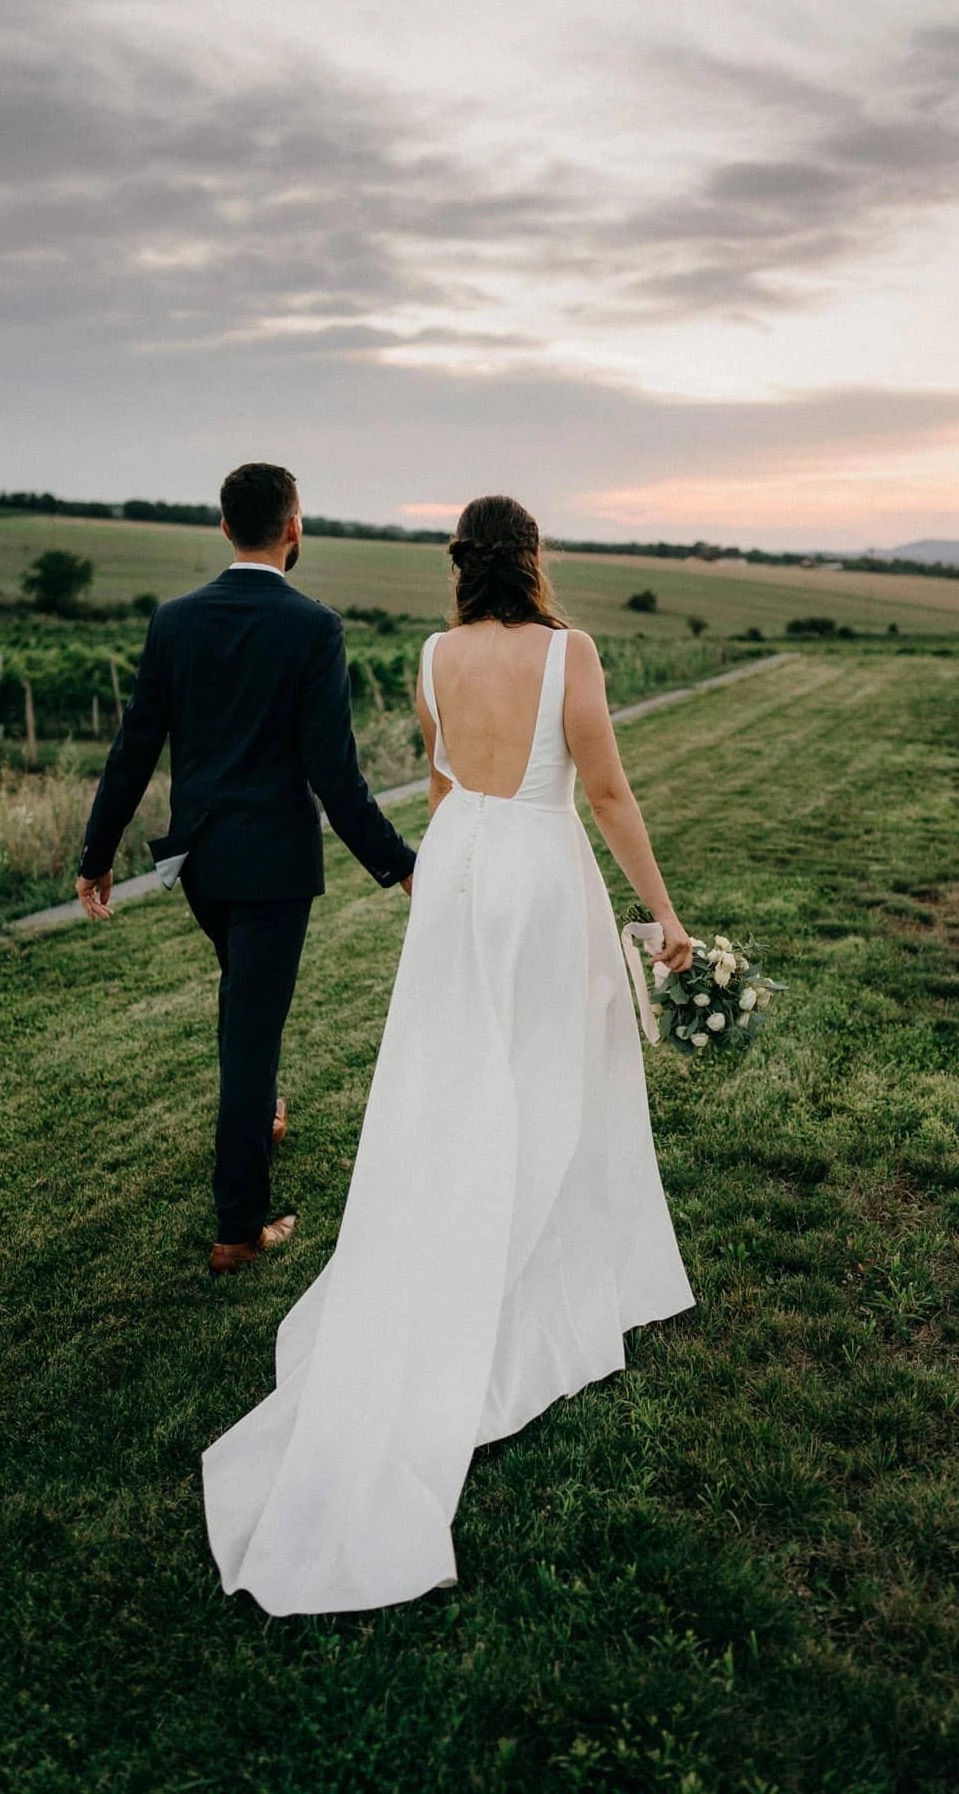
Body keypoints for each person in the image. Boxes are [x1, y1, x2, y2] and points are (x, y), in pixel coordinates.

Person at [202, 493, 694, 1614]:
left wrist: (455, 856)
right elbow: (605, 789)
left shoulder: (430, 654)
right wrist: (664, 913)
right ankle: (531, 1267)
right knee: (549, 1070)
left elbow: (438, 786)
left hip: (462, 869)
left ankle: (465, 1225)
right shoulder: (570, 651)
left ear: (459, 564)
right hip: (531, 873)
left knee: (453, 1076)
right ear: (532, 558)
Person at [75, 462, 416, 1272]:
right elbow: (334, 775)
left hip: (200, 862)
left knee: (244, 1001)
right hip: (271, 868)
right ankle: (239, 1229)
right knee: (250, 1037)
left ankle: (262, 1116)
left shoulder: (174, 621)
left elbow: (134, 750)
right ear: (294, 528)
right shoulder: (314, 628)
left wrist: (96, 855)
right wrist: (402, 864)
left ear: (224, 527)